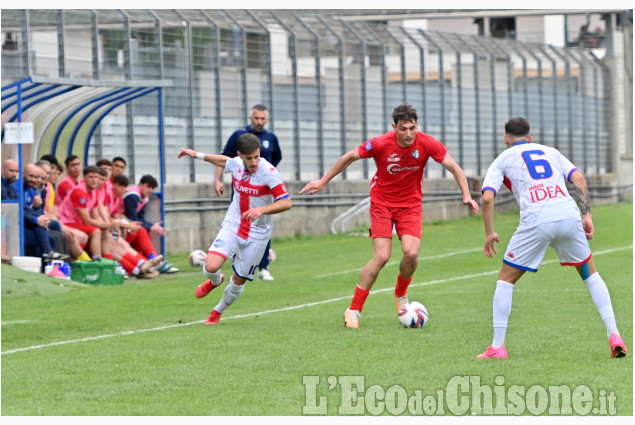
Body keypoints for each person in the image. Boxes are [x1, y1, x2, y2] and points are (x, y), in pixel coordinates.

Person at [300, 103, 479, 328]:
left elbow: (454, 167)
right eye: (403, 128)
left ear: (417, 126)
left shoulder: (426, 142)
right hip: (382, 204)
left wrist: (466, 195)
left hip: (410, 206)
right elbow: (349, 157)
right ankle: (353, 310)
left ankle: (401, 294)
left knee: (411, 253)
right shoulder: (380, 143)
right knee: (382, 256)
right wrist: (323, 181)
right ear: (393, 127)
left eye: (412, 128)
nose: (408, 134)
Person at [477, 117, 627, 359]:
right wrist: (586, 215)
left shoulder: (502, 159)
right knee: (590, 274)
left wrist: (489, 233)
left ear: (506, 139)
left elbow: (486, 198)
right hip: (568, 213)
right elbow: (578, 178)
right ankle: (614, 334)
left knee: (506, 279)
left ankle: (497, 347)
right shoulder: (551, 152)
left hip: (536, 218)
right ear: (530, 137)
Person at [178, 133, 292, 325]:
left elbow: (286, 202)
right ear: (240, 155)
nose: (254, 162)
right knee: (210, 267)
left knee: (239, 280)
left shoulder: (269, 172)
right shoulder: (236, 164)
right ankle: (215, 281)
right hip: (233, 225)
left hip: (258, 234)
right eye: (249, 158)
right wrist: (195, 154)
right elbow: (223, 161)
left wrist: (261, 209)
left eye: (257, 156)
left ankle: (217, 312)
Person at [214, 104, 282, 281]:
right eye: (256, 118)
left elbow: (276, 160)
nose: (259, 121)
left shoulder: (271, 138)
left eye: (262, 118)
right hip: (241, 191)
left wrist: (267, 180)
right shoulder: (239, 136)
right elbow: (224, 159)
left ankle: (263, 267)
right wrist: (217, 180)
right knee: (236, 223)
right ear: (251, 118)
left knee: (261, 227)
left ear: (266, 119)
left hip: (262, 195)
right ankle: (230, 255)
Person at [59, 166, 117, 259]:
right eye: (91, 177)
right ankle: (96, 261)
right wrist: (108, 225)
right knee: (96, 231)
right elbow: (87, 221)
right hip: (67, 222)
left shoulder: (94, 192)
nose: (94, 180)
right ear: (84, 178)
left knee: (104, 231)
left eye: (96, 177)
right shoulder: (79, 192)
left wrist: (107, 226)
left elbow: (95, 215)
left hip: (77, 223)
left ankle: (108, 261)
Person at [122, 174, 176, 273]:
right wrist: (151, 227)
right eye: (148, 186)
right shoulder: (132, 195)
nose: (150, 190)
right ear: (141, 185)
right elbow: (132, 218)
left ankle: (152, 261)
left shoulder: (144, 198)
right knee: (142, 230)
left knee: (144, 231)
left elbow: (140, 218)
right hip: (121, 227)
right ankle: (153, 262)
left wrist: (151, 226)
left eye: (152, 188)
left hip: (126, 226)